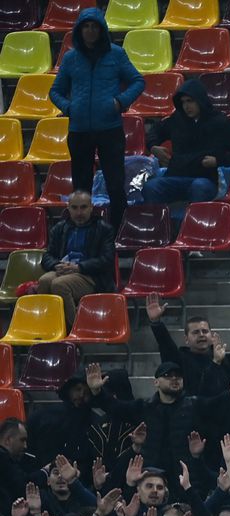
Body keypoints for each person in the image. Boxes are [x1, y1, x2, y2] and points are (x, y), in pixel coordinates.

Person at [49, 9, 145, 230]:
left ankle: (118, 231)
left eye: (94, 26)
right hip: (79, 131)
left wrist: (120, 102)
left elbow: (138, 81)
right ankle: (83, 233)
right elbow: (55, 91)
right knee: (81, 187)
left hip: (110, 129)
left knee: (115, 184)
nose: (90, 30)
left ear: (102, 30)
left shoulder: (116, 54)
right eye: (86, 26)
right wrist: (69, 107)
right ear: (79, 30)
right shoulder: (70, 58)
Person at [144, 79, 230, 207]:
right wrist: (153, 147)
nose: (186, 106)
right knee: (151, 187)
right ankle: (161, 220)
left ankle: (196, 220)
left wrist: (219, 160)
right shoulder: (177, 119)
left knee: (199, 186)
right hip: (175, 177)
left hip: (205, 179)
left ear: (200, 100)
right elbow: (154, 131)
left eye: (190, 101)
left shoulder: (219, 122)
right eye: (183, 102)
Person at [38, 191, 115, 325]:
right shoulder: (59, 228)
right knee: (44, 280)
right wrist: (56, 265)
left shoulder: (104, 229)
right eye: (74, 208)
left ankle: (74, 328)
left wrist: (79, 267)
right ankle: (47, 325)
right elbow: (47, 256)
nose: (79, 212)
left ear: (91, 207)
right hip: (64, 270)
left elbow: (107, 260)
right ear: (68, 208)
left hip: (91, 275)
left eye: (83, 207)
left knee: (59, 285)